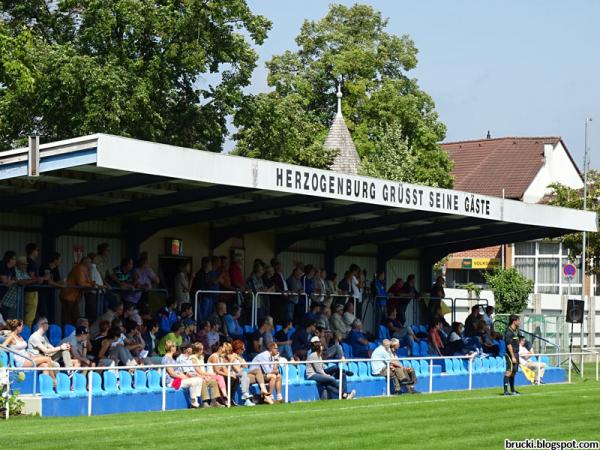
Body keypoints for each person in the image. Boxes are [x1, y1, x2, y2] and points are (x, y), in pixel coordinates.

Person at [2, 319, 56, 384]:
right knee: (47, 359)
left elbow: (23, 350)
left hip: (28, 358)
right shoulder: (11, 337)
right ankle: (54, 380)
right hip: (21, 362)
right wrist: (10, 351)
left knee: (45, 365)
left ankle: (45, 386)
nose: (23, 328)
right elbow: (2, 346)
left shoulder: (19, 336)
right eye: (21, 326)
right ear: (18, 327)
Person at [162, 341, 202, 408]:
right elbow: (172, 373)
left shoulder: (172, 359)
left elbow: (179, 372)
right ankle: (193, 402)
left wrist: (185, 377)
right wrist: (183, 378)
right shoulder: (166, 359)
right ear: (171, 348)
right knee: (193, 382)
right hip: (172, 381)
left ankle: (196, 398)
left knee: (198, 380)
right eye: (174, 346)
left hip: (178, 379)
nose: (176, 348)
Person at [230, 340, 270, 406]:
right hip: (237, 376)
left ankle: (263, 389)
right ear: (238, 349)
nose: (244, 350)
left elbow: (245, 366)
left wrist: (241, 361)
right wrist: (242, 365)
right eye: (242, 349)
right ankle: (247, 400)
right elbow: (237, 370)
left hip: (244, 373)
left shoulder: (240, 357)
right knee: (247, 375)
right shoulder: (232, 356)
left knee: (257, 371)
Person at [189, 342, 226, 408]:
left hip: (203, 375)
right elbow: (198, 371)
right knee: (202, 381)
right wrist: (206, 375)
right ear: (199, 350)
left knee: (213, 382)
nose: (203, 351)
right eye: (202, 349)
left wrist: (206, 376)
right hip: (196, 376)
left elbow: (203, 370)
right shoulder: (192, 358)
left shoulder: (201, 357)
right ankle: (205, 402)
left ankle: (214, 402)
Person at [60, 255, 95, 325]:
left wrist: (91, 283)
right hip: (69, 296)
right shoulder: (79, 268)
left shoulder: (85, 270)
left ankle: (72, 332)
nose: (91, 264)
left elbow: (89, 281)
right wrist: (91, 285)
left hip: (73, 297)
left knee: (74, 317)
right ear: (85, 262)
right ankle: (68, 333)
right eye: (89, 262)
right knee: (69, 318)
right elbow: (81, 283)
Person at [504, 314, 522, 396]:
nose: (519, 322)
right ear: (514, 321)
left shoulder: (516, 331)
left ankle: (513, 390)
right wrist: (513, 356)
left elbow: (520, 338)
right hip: (510, 354)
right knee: (509, 371)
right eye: (518, 320)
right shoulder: (508, 331)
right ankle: (505, 391)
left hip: (516, 353)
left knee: (514, 372)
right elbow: (509, 345)